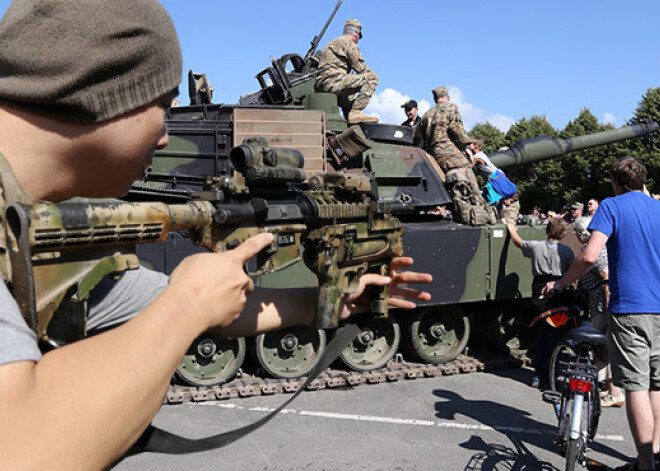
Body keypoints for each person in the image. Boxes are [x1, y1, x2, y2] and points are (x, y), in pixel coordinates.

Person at [0, 1, 432, 469]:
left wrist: (320, 304)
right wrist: (185, 308)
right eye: (162, 107)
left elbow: (148, 301)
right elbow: (22, 448)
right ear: (104, 93)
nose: (165, 136)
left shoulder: (29, 214)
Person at [543, 156, 660, 471]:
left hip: (631, 308)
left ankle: (645, 464)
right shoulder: (658, 208)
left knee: (635, 385)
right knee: (656, 385)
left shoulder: (612, 206)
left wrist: (559, 284)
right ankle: (657, 452)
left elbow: (589, 255)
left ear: (617, 183)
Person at [506, 218, 575, 389]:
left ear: (547, 231)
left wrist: (510, 227)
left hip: (539, 289)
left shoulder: (535, 246)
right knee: (557, 335)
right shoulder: (566, 251)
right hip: (559, 289)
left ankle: (538, 375)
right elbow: (572, 272)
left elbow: (518, 242)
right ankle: (552, 374)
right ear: (564, 234)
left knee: (541, 333)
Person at [413, 87, 494, 225]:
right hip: (447, 149)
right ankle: (478, 211)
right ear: (448, 97)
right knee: (467, 174)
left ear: (434, 99)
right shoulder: (450, 107)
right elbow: (457, 129)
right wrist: (467, 147)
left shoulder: (427, 114)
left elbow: (416, 135)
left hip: (432, 153)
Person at [573, 217, 624, 408]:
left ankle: (615, 393)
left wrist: (610, 305)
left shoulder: (596, 251)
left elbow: (606, 277)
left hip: (602, 306)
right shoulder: (595, 248)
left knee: (603, 347)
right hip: (599, 305)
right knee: (602, 348)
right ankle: (609, 389)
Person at [315, 19, 379, 125]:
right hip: (335, 83)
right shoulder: (349, 43)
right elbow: (361, 68)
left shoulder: (329, 44)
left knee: (350, 98)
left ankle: (350, 122)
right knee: (372, 78)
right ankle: (356, 112)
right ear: (356, 34)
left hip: (322, 86)